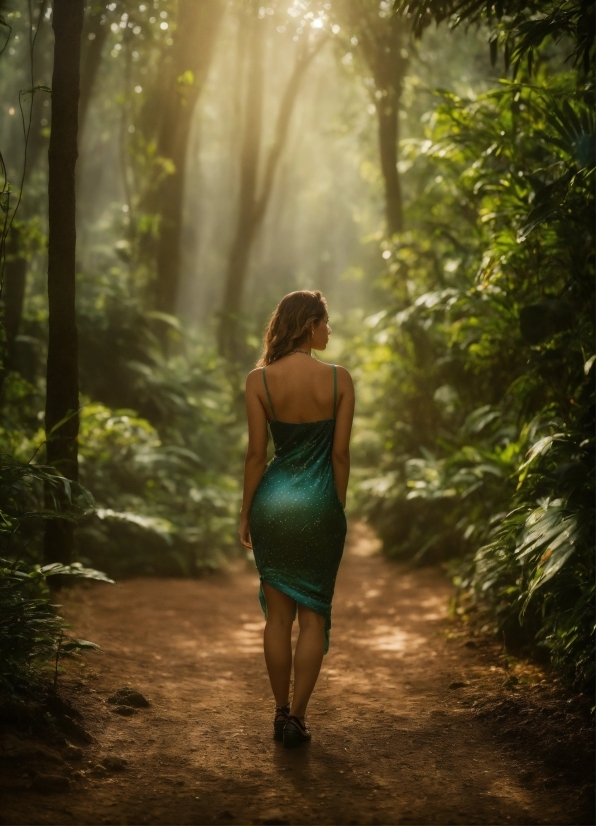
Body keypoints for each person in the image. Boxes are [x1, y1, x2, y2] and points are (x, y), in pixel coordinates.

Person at [239, 290, 354, 748]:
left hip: (273, 503)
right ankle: (299, 719)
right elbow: (341, 455)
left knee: (276, 619)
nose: (330, 331)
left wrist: (246, 511)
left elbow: (254, 455)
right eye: (326, 323)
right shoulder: (339, 379)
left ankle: (278, 711)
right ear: (309, 324)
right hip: (319, 505)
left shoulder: (259, 381)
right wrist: (335, 507)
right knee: (313, 619)